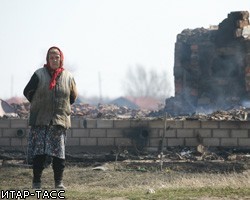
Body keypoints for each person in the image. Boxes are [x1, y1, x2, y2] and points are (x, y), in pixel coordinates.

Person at [23, 46, 77, 189]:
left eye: (57, 57)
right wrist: (39, 104)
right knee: (39, 153)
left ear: (61, 59)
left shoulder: (68, 77)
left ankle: (58, 183)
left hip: (59, 120)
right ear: (47, 59)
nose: (54, 60)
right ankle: (36, 182)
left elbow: (72, 97)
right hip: (40, 120)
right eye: (51, 57)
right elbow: (27, 92)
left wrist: (60, 106)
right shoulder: (39, 74)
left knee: (59, 154)